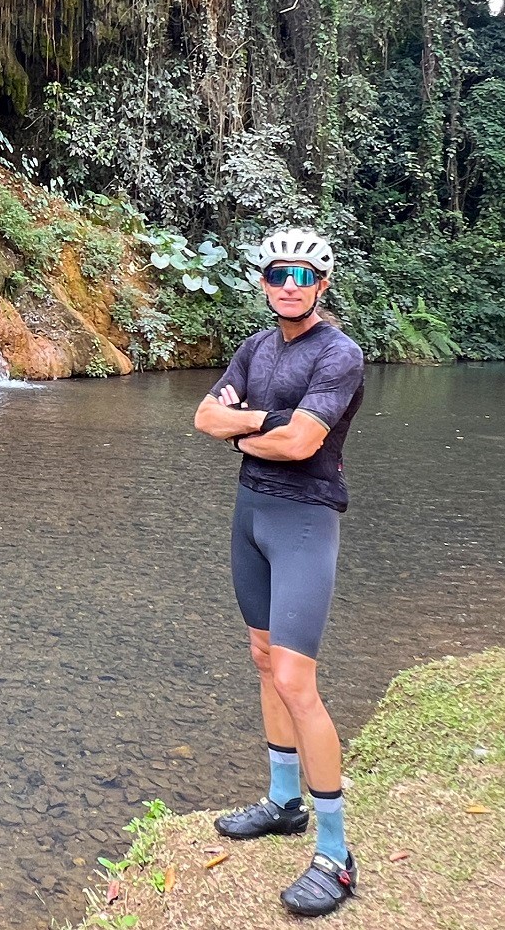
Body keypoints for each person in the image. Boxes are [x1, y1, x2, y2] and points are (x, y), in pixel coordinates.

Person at [191, 227, 366, 917]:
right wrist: (267, 421)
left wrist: (252, 423)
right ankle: (285, 801)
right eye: (276, 273)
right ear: (263, 282)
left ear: (321, 284)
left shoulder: (340, 354)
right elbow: (204, 418)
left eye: (301, 274)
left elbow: (301, 444)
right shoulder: (254, 348)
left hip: (304, 519)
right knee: (264, 656)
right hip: (250, 513)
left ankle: (335, 854)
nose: (288, 283)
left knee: (297, 677)